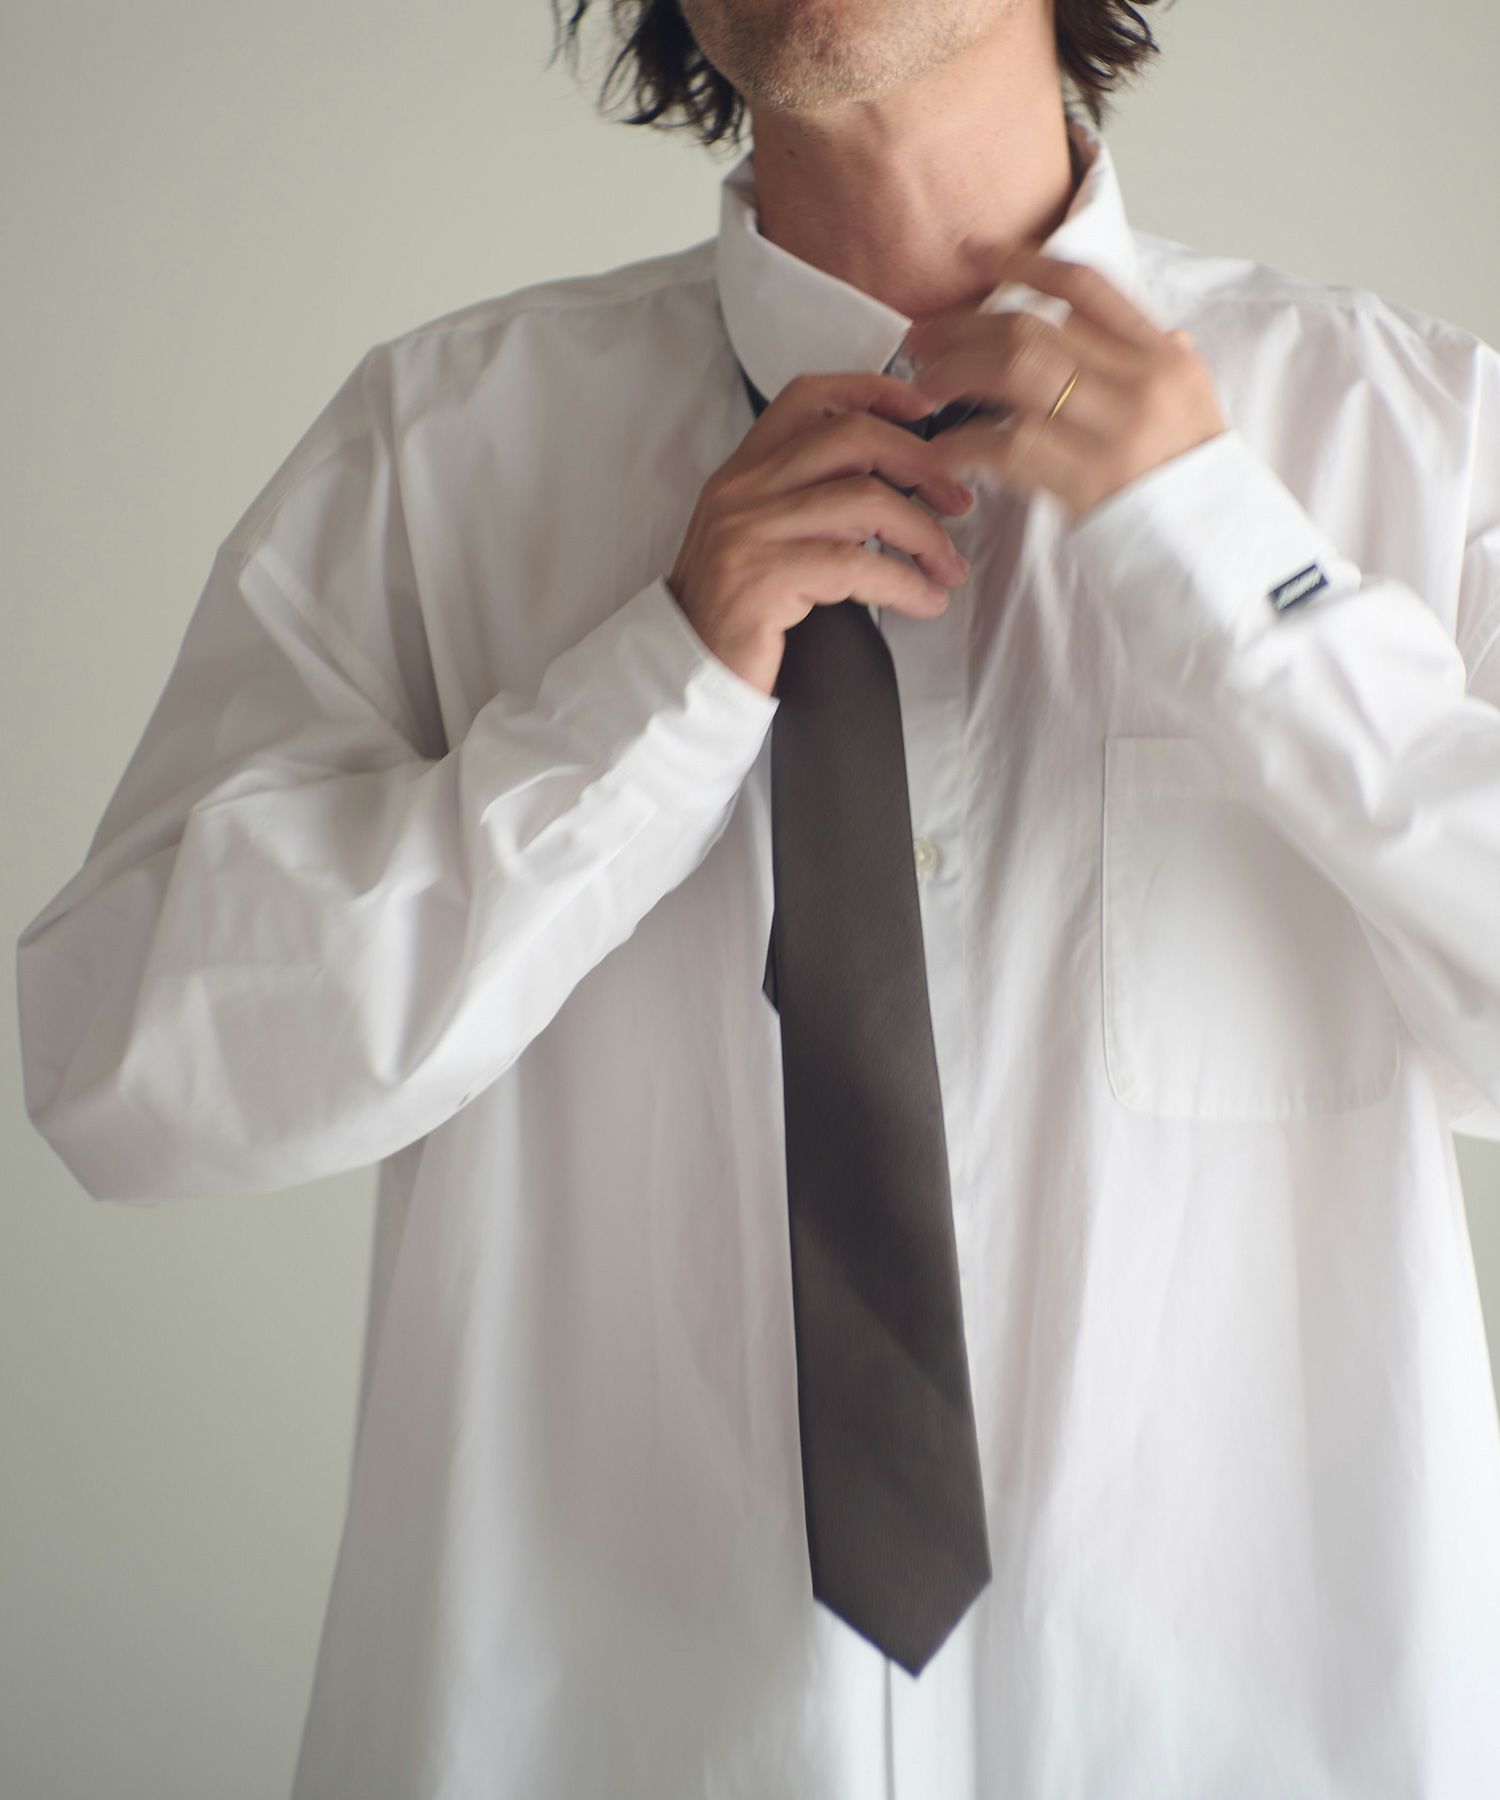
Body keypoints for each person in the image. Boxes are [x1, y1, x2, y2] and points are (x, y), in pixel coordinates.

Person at [16, 0, 1500, 1792]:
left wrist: (1242, 580)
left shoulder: (1417, 438)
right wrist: (646, 695)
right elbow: (120, 1067)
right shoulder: (436, 452)